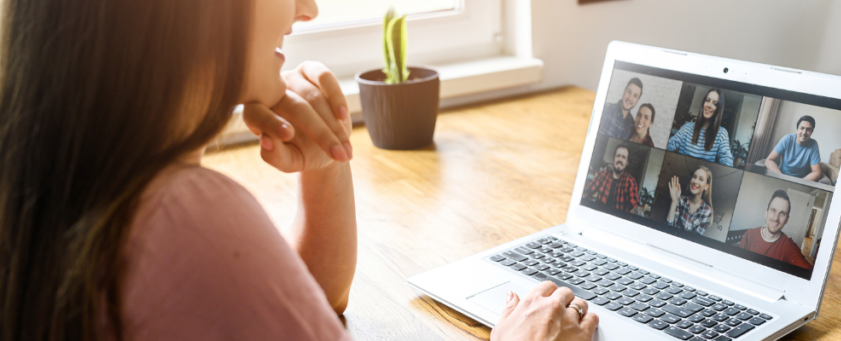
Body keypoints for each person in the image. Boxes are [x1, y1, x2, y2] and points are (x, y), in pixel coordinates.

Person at [0, 0, 599, 340]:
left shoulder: (67, 171)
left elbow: (288, 306)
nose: (307, 8)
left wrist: (323, 167)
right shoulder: (181, 215)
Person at [737, 190, 813, 269]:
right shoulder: (749, 235)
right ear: (766, 213)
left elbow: (810, 273)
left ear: (787, 220)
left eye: (782, 213)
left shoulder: (789, 247)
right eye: (773, 210)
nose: (776, 218)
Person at [666, 88, 734, 166]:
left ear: (718, 109)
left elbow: (727, 160)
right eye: (707, 100)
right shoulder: (687, 127)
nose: (709, 105)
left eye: (715, 103)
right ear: (703, 103)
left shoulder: (722, 133)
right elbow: (670, 145)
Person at [583, 145, 643, 215]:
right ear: (614, 158)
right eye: (618, 156)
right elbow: (586, 191)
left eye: (623, 157)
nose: (620, 159)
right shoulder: (603, 175)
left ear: (627, 162)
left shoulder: (630, 181)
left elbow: (635, 206)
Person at [765, 115, 823, 181]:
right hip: (781, 175)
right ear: (797, 129)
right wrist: (781, 178)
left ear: (812, 132)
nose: (804, 132)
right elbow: (769, 160)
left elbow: (817, 172)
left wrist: (799, 183)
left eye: (808, 129)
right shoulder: (787, 139)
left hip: (800, 180)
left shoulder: (813, 145)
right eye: (802, 128)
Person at [666, 166, 714, 235]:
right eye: (694, 177)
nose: (695, 181)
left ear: (706, 186)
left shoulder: (707, 211)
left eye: (701, 179)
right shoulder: (681, 200)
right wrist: (674, 200)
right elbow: (669, 226)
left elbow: (695, 238)